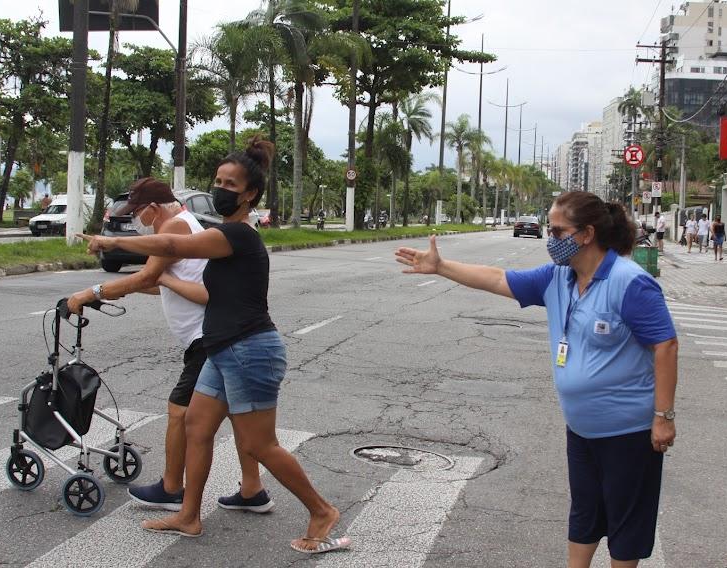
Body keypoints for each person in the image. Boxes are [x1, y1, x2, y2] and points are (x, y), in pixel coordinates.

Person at [79, 136, 348, 554]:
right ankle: (188, 516)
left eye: (230, 184)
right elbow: (189, 285)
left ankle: (321, 510)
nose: (221, 189)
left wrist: (113, 242)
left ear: (250, 194)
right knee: (196, 427)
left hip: (250, 350)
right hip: (221, 350)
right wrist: (136, 286)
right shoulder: (223, 234)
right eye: (218, 181)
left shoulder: (239, 236)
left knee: (260, 444)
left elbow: (171, 245)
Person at [395, 191, 678, 568]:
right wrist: (442, 266)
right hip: (581, 429)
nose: (550, 238)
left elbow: (666, 345)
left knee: (625, 525)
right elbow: (497, 278)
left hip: (627, 431)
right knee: (584, 514)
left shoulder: (629, 282)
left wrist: (663, 416)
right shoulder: (558, 278)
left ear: (586, 234)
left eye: (557, 230)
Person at [67, 178, 272, 514]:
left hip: (205, 337)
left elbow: (150, 277)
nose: (136, 220)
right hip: (214, 335)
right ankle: (252, 490)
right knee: (238, 416)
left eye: (137, 213)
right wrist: (126, 289)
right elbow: (163, 283)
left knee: (179, 412)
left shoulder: (176, 225)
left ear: (152, 209)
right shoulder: (186, 222)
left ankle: (172, 487)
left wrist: (91, 293)